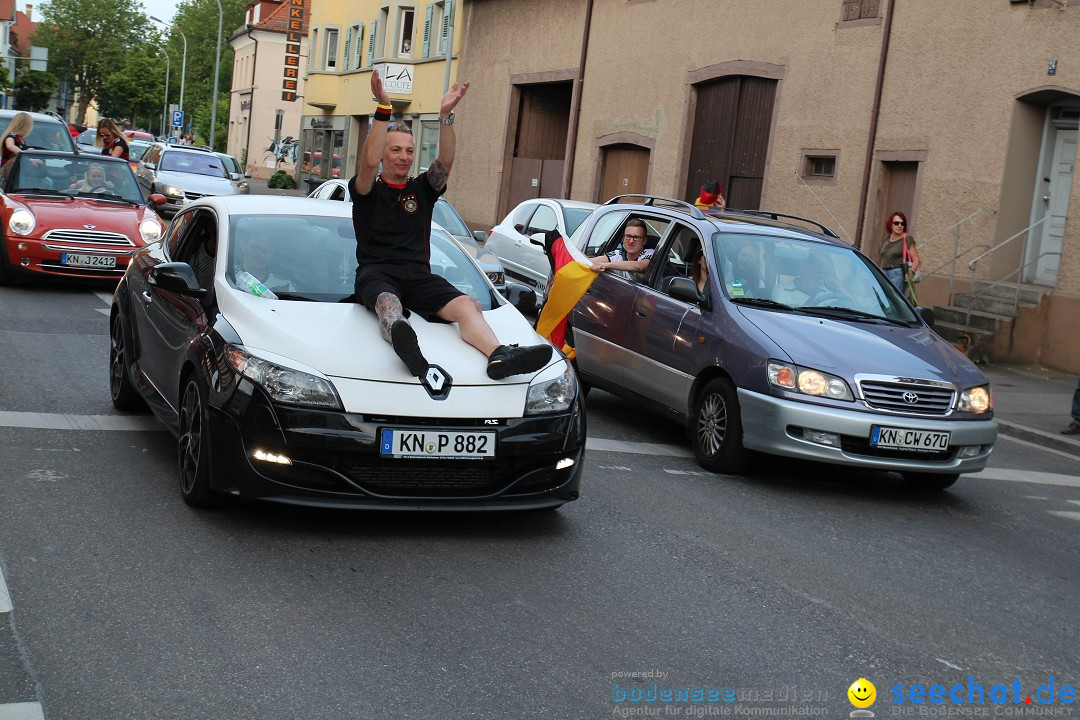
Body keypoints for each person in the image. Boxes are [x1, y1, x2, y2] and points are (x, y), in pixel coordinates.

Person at [350, 69, 552, 380]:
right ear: (382, 155)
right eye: (395, 150)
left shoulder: (422, 189)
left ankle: (499, 355)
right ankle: (408, 347)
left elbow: (445, 162)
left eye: (409, 151)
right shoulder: (367, 190)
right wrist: (384, 109)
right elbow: (365, 162)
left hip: (418, 276)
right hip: (377, 272)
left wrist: (445, 116)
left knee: (467, 305)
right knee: (388, 303)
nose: (403, 157)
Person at [880, 211, 920, 293]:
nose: (900, 226)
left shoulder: (907, 238)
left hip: (896, 273)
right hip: (883, 272)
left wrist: (911, 273)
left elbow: (916, 259)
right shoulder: (887, 238)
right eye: (897, 223)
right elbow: (884, 256)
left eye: (902, 223)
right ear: (891, 224)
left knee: (893, 299)